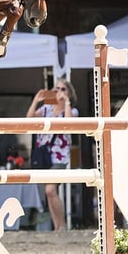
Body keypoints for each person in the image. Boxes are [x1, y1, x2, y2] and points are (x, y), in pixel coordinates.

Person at [26, 78, 78, 231]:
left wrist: (66, 103)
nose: (59, 92)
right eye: (56, 89)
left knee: (50, 189)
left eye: (63, 89)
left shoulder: (73, 110)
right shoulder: (46, 109)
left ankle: (61, 225)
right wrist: (36, 100)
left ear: (69, 93)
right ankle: (58, 226)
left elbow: (69, 126)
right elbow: (28, 120)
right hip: (44, 154)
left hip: (60, 156)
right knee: (50, 193)